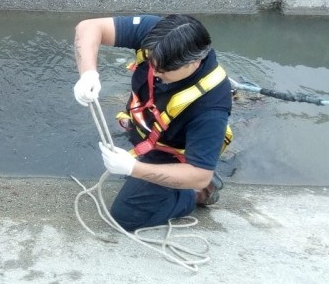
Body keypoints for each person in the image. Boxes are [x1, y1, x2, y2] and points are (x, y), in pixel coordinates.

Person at [73, 14, 232, 231]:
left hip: (173, 156)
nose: (155, 74)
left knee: (124, 217)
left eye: (163, 71)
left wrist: (133, 168)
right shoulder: (163, 35)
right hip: (148, 129)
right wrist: (88, 73)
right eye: (152, 64)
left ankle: (190, 196)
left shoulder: (211, 106)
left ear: (194, 63)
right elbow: (89, 27)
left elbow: (199, 175)